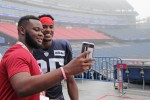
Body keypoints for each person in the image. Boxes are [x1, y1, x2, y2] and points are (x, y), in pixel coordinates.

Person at [0, 15, 95, 100]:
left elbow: (70, 81)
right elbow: (22, 88)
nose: (42, 33)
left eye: (42, 30)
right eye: (37, 29)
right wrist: (66, 70)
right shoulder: (17, 53)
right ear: (22, 30)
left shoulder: (28, 52)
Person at [33, 14, 78, 100]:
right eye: (44, 27)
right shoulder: (31, 49)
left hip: (58, 97)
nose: (48, 30)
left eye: (51, 27)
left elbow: (70, 79)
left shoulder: (63, 45)